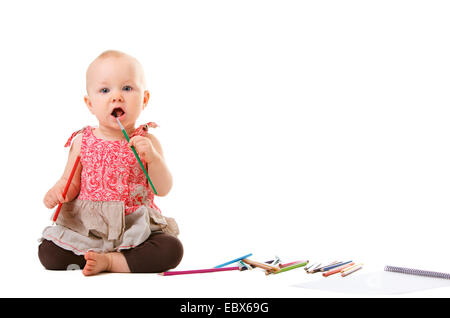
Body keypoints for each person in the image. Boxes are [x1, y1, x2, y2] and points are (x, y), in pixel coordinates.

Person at [38, 50, 183, 276]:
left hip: (134, 225)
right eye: (105, 90)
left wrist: (152, 158)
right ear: (90, 104)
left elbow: (163, 188)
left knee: (171, 250)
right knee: (48, 253)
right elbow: (70, 182)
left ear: (144, 99)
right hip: (90, 228)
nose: (116, 97)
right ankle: (95, 256)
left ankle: (113, 261)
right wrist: (59, 191)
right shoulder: (82, 141)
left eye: (127, 88)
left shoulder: (147, 141)